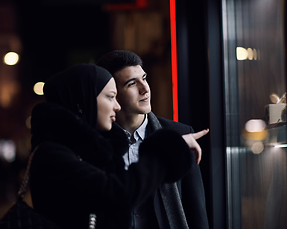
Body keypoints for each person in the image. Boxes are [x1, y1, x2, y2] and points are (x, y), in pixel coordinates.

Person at [28, 63, 202, 229]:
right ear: (85, 100)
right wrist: (170, 149)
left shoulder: (85, 151)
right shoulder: (52, 155)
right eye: (111, 97)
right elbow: (117, 193)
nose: (117, 106)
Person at [97, 50, 209, 229]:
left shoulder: (179, 135)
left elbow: (196, 210)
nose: (145, 88)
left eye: (144, 78)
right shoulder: (97, 142)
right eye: (132, 83)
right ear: (113, 92)